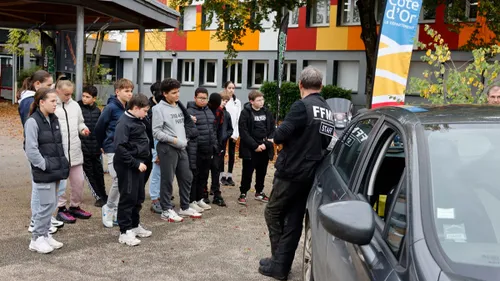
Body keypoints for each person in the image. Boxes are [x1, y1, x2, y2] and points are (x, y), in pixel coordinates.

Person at [259, 67, 334, 280]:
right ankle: (281, 265)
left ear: (300, 84)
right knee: (293, 219)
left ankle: (278, 263)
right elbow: (327, 142)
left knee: (272, 213)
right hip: (310, 174)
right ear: (321, 86)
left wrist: (278, 132)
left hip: (291, 171)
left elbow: (281, 135)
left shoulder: (302, 106)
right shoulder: (327, 110)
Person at [24, 87, 69, 254]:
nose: (55, 104)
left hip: (56, 168)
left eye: (56, 101)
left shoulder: (53, 119)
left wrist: (62, 163)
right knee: (45, 205)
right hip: (45, 170)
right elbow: (31, 149)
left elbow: (59, 145)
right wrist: (45, 165)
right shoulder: (32, 122)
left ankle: (45, 234)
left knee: (51, 205)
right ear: (41, 102)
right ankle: (36, 239)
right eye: (52, 101)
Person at [152, 78, 201, 222]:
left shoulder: (179, 106)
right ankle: (166, 210)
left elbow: (182, 123)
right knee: (167, 179)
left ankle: (184, 207)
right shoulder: (158, 109)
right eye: (173, 93)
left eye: (178, 91)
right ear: (165, 94)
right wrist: (174, 140)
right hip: (168, 148)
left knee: (187, 177)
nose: (177, 95)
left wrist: (184, 137)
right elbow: (156, 132)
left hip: (181, 147)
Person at [113, 93, 152, 246]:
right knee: (128, 197)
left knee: (138, 196)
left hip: (140, 164)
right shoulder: (124, 123)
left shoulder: (139, 119)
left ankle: (135, 226)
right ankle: (124, 231)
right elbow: (120, 148)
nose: (146, 114)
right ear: (135, 108)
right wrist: (135, 163)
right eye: (145, 110)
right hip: (128, 166)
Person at [95, 78, 134, 228]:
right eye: (126, 91)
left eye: (131, 91)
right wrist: (101, 145)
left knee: (123, 180)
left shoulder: (128, 107)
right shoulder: (111, 108)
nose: (130, 94)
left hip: (125, 149)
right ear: (117, 92)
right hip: (111, 148)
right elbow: (99, 127)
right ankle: (109, 207)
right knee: (118, 178)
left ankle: (117, 210)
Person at [54, 80, 92, 224]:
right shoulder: (53, 106)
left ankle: (75, 206)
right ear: (57, 91)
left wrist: (83, 129)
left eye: (71, 94)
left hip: (75, 150)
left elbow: (80, 122)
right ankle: (61, 208)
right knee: (61, 183)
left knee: (79, 181)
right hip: (60, 152)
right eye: (66, 94)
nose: (69, 97)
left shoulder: (75, 105)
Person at [237, 90, 275, 205]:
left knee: (262, 172)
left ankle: (259, 192)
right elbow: (243, 132)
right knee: (247, 172)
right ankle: (243, 192)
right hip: (251, 149)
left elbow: (273, 129)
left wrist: (266, 144)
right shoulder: (245, 113)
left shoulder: (267, 112)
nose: (261, 102)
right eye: (258, 100)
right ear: (251, 101)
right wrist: (255, 146)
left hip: (264, 148)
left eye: (262, 99)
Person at [186, 87, 216, 211]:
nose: (203, 101)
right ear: (195, 98)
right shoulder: (189, 111)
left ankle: (199, 199)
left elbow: (213, 130)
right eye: (200, 98)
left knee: (204, 176)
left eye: (205, 98)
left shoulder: (209, 111)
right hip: (195, 149)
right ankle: (191, 200)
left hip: (208, 149)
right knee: (194, 176)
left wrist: (215, 145)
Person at [78, 85, 107, 207]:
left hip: (95, 148)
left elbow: (100, 130)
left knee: (99, 172)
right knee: (89, 173)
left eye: (87, 97)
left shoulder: (97, 111)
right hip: (83, 148)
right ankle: (98, 196)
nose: (84, 99)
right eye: (83, 96)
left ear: (94, 99)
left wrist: (101, 145)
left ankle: (104, 194)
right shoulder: (78, 108)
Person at [208, 91, 232, 206]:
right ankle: (203, 193)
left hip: (219, 146)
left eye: (226, 101)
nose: (223, 103)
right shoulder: (207, 112)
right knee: (204, 171)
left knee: (216, 169)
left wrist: (223, 138)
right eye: (223, 100)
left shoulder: (223, 114)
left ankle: (216, 192)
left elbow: (225, 129)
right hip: (208, 146)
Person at [221, 81, 241, 186]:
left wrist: (236, 134)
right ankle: (221, 176)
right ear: (225, 88)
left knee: (232, 154)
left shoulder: (237, 102)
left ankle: (229, 175)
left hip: (233, 131)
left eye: (233, 88)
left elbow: (238, 119)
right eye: (229, 88)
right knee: (222, 153)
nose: (231, 90)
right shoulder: (223, 101)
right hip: (223, 132)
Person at [148, 82, 163, 214]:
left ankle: (160, 196)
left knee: (162, 173)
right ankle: (154, 199)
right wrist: (157, 151)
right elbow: (154, 132)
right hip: (155, 145)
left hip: (165, 145)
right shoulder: (152, 109)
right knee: (156, 173)